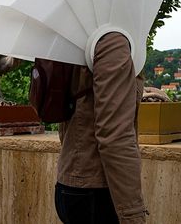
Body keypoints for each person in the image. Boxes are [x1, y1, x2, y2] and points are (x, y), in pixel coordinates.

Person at [55, 32, 147, 223]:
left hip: (72, 183)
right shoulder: (112, 40)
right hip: (98, 194)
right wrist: (133, 215)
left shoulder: (77, 37)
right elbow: (115, 135)